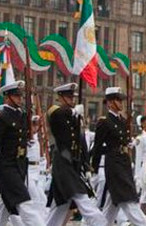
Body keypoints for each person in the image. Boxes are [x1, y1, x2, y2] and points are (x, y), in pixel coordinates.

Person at [45, 82, 107, 226]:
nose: (72, 100)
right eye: (68, 97)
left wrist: (86, 167)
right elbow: (55, 114)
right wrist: (73, 112)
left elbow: (81, 145)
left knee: (60, 207)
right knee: (82, 198)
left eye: (72, 97)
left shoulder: (75, 118)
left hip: (73, 165)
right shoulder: (56, 112)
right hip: (63, 164)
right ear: (60, 97)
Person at [0, 80, 47, 225]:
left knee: (3, 209)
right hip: (7, 167)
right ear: (7, 97)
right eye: (17, 96)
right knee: (25, 204)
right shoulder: (0, 118)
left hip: (20, 167)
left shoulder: (22, 116)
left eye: (21, 96)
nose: (20, 98)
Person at [90, 87, 146, 225]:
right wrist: (93, 169)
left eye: (121, 99)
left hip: (123, 162)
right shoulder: (104, 122)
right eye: (118, 99)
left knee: (112, 203)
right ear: (110, 103)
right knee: (128, 200)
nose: (121, 102)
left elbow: (124, 141)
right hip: (114, 164)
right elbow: (98, 147)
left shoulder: (122, 120)